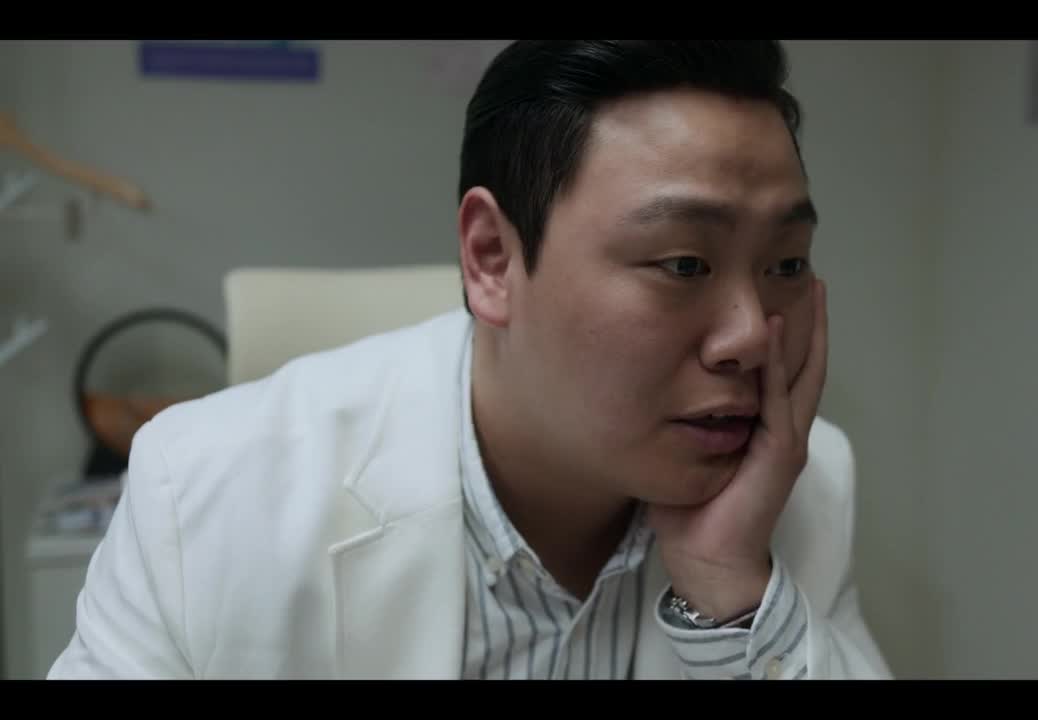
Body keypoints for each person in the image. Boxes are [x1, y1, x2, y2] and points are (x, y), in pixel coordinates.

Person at [48, 40, 890, 680]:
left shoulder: (800, 488)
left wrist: (731, 594)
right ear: (492, 258)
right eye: (684, 263)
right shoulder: (203, 495)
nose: (750, 336)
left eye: (786, 264)